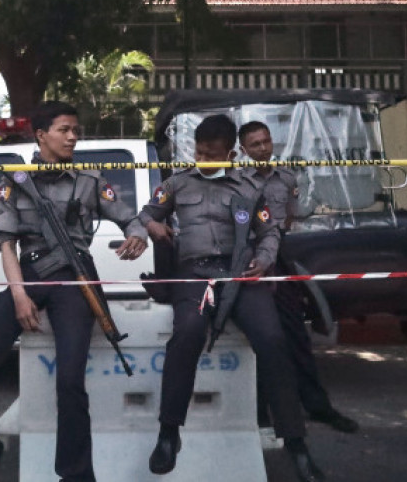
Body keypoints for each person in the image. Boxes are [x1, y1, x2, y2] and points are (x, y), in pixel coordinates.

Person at [0, 101, 148, 482]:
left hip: (75, 278)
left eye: (76, 130)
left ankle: (76, 473)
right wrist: (18, 295)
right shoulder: (15, 180)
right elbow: (7, 244)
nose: (72, 137)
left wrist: (137, 234)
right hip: (29, 273)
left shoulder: (90, 179)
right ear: (41, 135)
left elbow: (130, 217)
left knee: (69, 381)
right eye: (64, 130)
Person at [139, 115, 324, 482]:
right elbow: (146, 212)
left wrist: (265, 258)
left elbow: (270, 231)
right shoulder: (176, 182)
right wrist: (150, 225)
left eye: (213, 155)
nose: (204, 161)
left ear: (233, 153)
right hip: (194, 275)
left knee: (272, 339)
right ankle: (168, 433)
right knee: (188, 331)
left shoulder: (249, 188)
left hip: (240, 273)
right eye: (200, 153)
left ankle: (295, 444)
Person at [238, 121, 359, 435]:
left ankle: (318, 406)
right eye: (255, 145)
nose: (263, 149)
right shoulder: (235, 181)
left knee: (296, 337)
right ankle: (259, 415)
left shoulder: (286, 178)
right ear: (243, 150)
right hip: (247, 263)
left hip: (279, 260)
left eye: (266, 142)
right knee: (258, 340)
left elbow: (289, 216)